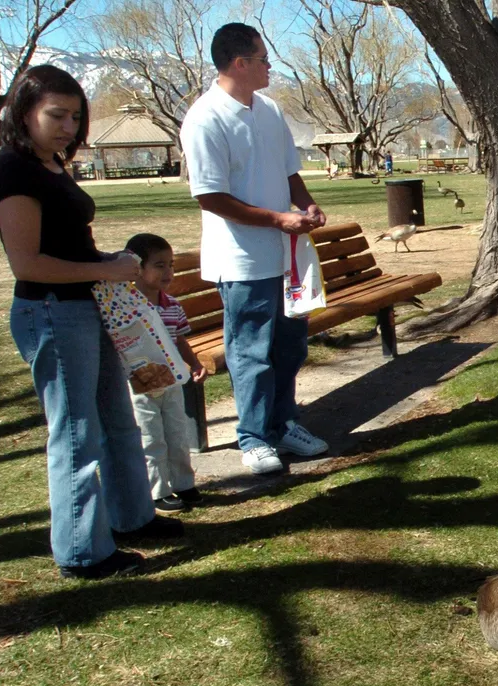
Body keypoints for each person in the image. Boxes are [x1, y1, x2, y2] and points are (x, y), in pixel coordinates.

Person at [0, 65, 182, 581]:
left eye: (76, 116)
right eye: (56, 114)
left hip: (86, 308)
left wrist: (109, 262)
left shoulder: (53, 165)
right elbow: (27, 263)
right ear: (23, 112)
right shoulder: (14, 169)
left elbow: (68, 244)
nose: (68, 126)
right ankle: (81, 552)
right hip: (50, 311)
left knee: (117, 418)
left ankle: (133, 519)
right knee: (77, 433)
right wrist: (105, 268)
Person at [180, 23, 329, 475]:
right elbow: (211, 196)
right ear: (240, 63)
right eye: (264, 59)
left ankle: (283, 424)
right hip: (241, 261)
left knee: (290, 347)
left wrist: (305, 204)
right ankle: (253, 438)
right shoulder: (204, 118)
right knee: (251, 353)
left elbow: (288, 171)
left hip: (285, 258)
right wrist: (277, 219)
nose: (270, 66)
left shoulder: (268, 110)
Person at [125, 233, 208, 514]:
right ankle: (157, 490)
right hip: (141, 382)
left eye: (170, 265)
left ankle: (184, 483)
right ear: (137, 267)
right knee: (151, 436)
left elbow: (180, 339)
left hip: (171, 380)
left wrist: (194, 364)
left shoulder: (171, 305)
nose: (169, 272)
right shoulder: (124, 306)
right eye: (159, 265)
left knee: (177, 432)